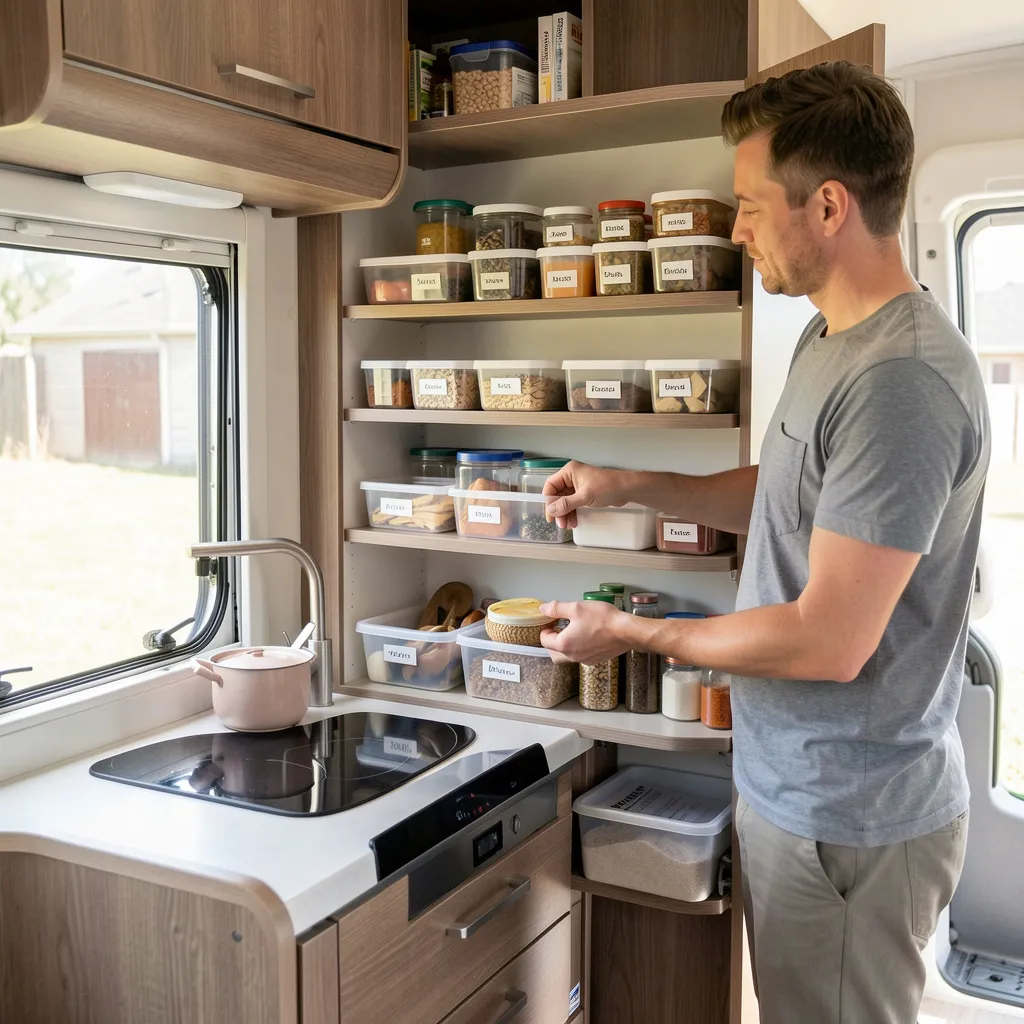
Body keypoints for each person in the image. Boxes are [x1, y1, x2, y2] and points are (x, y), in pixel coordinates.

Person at [540, 61, 990, 1024]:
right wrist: (632, 483)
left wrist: (633, 630)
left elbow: (829, 639)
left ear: (827, 206)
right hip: (799, 789)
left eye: (748, 206)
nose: (735, 228)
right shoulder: (829, 339)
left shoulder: (901, 381)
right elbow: (790, 497)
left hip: (851, 818)